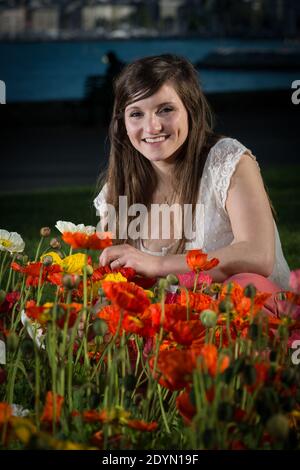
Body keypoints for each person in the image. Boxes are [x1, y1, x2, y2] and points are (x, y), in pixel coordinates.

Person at [93, 54, 290, 310]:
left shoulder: (227, 162)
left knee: (244, 287)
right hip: (171, 328)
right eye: (136, 114)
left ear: (190, 109)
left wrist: (156, 264)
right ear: (122, 124)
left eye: (165, 109)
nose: (151, 127)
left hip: (243, 320)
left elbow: (258, 256)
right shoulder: (117, 189)